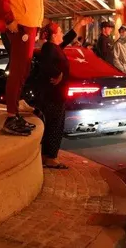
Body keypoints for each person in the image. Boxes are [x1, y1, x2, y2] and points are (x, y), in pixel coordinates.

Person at [0, 0, 81, 136]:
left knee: (23, 69)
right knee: (18, 70)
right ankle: (11, 116)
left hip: (28, 25)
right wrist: (9, 19)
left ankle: (14, 113)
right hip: (21, 25)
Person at [35, 19, 86, 169]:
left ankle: (47, 156)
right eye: (60, 32)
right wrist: (59, 74)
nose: (62, 34)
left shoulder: (54, 47)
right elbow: (46, 65)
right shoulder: (49, 48)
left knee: (53, 125)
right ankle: (51, 157)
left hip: (56, 95)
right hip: (54, 96)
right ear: (53, 35)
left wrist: (79, 24)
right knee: (55, 126)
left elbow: (68, 37)